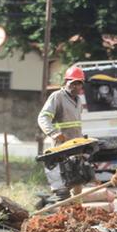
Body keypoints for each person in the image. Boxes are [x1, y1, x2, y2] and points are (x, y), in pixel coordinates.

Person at [36, 65, 86, 201]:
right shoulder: (57, 97)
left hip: (76, 147)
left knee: (78, 182)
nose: (76, 86)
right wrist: (53, 133)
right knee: (63, 184)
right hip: (62, 147)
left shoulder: (79, 101)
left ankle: (77, 210)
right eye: (73, 83)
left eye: (79, 83)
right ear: (66, 82)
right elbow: (43, 117)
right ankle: (57, 207)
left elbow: (75, 124)